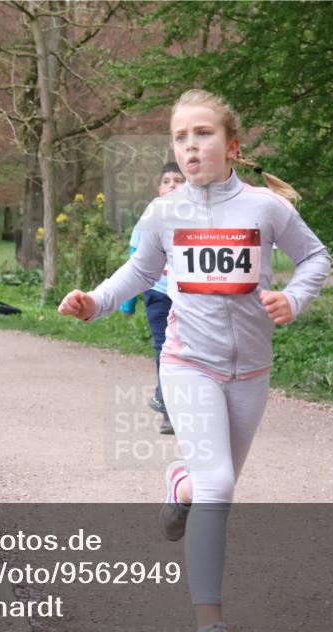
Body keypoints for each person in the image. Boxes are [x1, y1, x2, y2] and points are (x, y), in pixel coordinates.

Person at [58, 89, 331, 632]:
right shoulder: (164, 212)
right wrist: (95, 303)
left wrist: (294, 299)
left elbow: (316, 258)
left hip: (252, 371)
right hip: (188, 363)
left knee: (209, 480)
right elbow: (139, 270)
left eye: (202, 134)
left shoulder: (264, 208)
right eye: (180, 138)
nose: (190, 146)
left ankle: (178, 483)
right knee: (221, 487)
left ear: (232, 146)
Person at [120, 162, 186, 435]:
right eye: (168, 181)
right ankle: (169, 412)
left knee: (187, 348)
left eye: (179, 181)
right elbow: (134, 259)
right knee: (163, 346)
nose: (173, 185)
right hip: (158, 292)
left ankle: (176, 397)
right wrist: (127, 301)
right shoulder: (150, 217)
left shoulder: (201, 215)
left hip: (190, 296)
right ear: (160, 189)